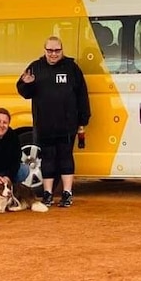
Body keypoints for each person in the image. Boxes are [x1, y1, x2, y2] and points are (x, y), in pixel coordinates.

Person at [16, 36, 90, 208]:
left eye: (57, 50)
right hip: (45, 124)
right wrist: (25, 84)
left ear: (62, 50)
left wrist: (83, 119)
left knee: (66, 158)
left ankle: (67, 193)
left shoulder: (72, 68)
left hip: (67, 125)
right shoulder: (35, 67)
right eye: (50, 50)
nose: (53, 54)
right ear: (45, 50)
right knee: (47, 160)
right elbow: (24, 91)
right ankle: (48, 194)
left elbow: (82, 95)